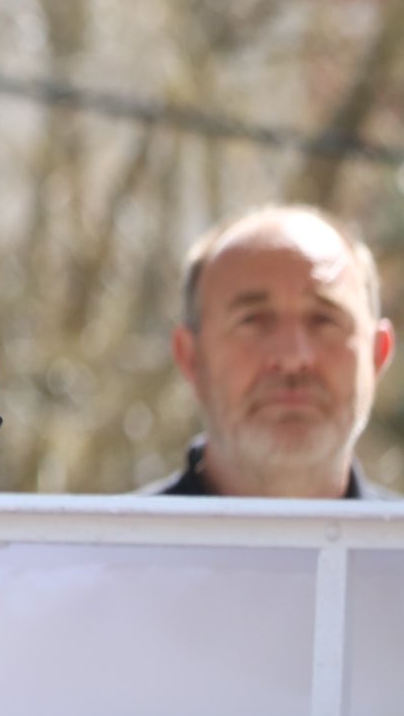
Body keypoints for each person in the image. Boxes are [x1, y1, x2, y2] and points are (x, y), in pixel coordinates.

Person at [149, 205, 396, 499]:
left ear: (377, 353)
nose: (293, 358)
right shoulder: (105, 543)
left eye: (324, 319)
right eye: (252, 320)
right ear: (191, 358)